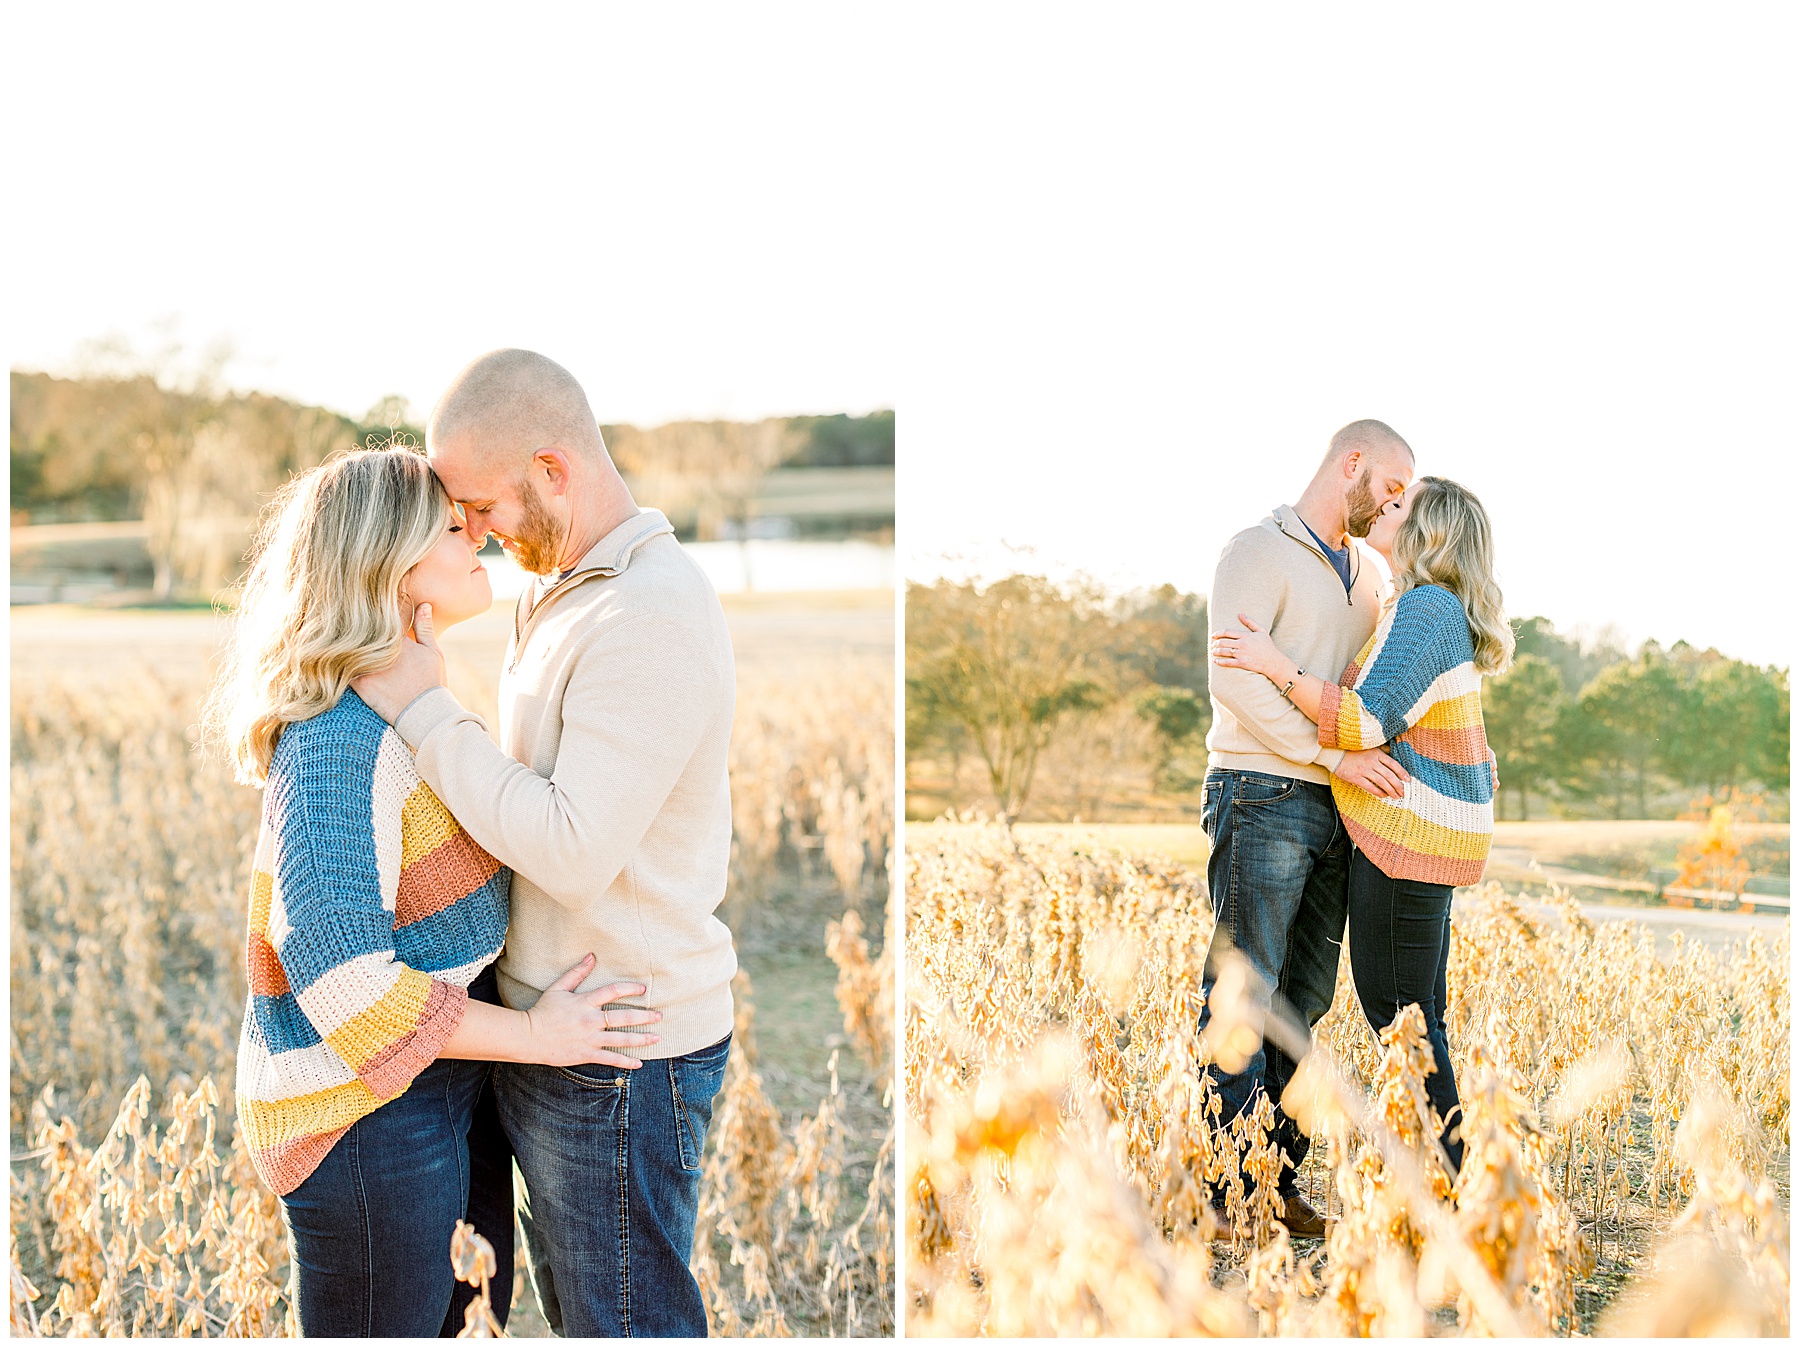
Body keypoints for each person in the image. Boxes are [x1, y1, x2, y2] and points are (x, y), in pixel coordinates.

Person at [209, 446, 663, 1337]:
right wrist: (534, 1036)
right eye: (451, 528)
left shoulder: (402, 712)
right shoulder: (336, 738)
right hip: (360, 1119)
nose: (478, 536)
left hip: (435, 1085)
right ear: (390, 564)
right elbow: (343, 980)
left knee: (470, 1326)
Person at [352, 351, 738, 1338]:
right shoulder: (561, 585)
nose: (470, 531)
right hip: (552, 1030)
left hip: (620, 1052)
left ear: (554, 470)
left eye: (482, 505)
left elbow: (570, 846)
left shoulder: (647, 613)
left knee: (622, 1322)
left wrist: (428, 715)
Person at [1211, 474, 1512, 1177]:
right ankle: (1448, 1177)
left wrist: (1274, 665)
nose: (1386, 506)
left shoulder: (1427, 610)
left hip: (1409, 838)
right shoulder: (1417, 608)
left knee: (1400, 1014)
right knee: (1412, 1013)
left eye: (1401, 504)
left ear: (1427, 533)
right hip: (1422, 837)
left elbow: (1365, 720)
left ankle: (1453, 1182)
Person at [1197, 420, 1416, 1239]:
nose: (1395, 500)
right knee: (1245, 989)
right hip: (1260, 791)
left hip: (1340, 804)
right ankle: (1226, 1194)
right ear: (1350, 462)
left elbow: (1379, 689)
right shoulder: (1255, 549)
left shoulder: (1369, 572)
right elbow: (1233, 682)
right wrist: (1330, 760)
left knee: (1305, 1002)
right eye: (1391, 482)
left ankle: (1275, 1182)